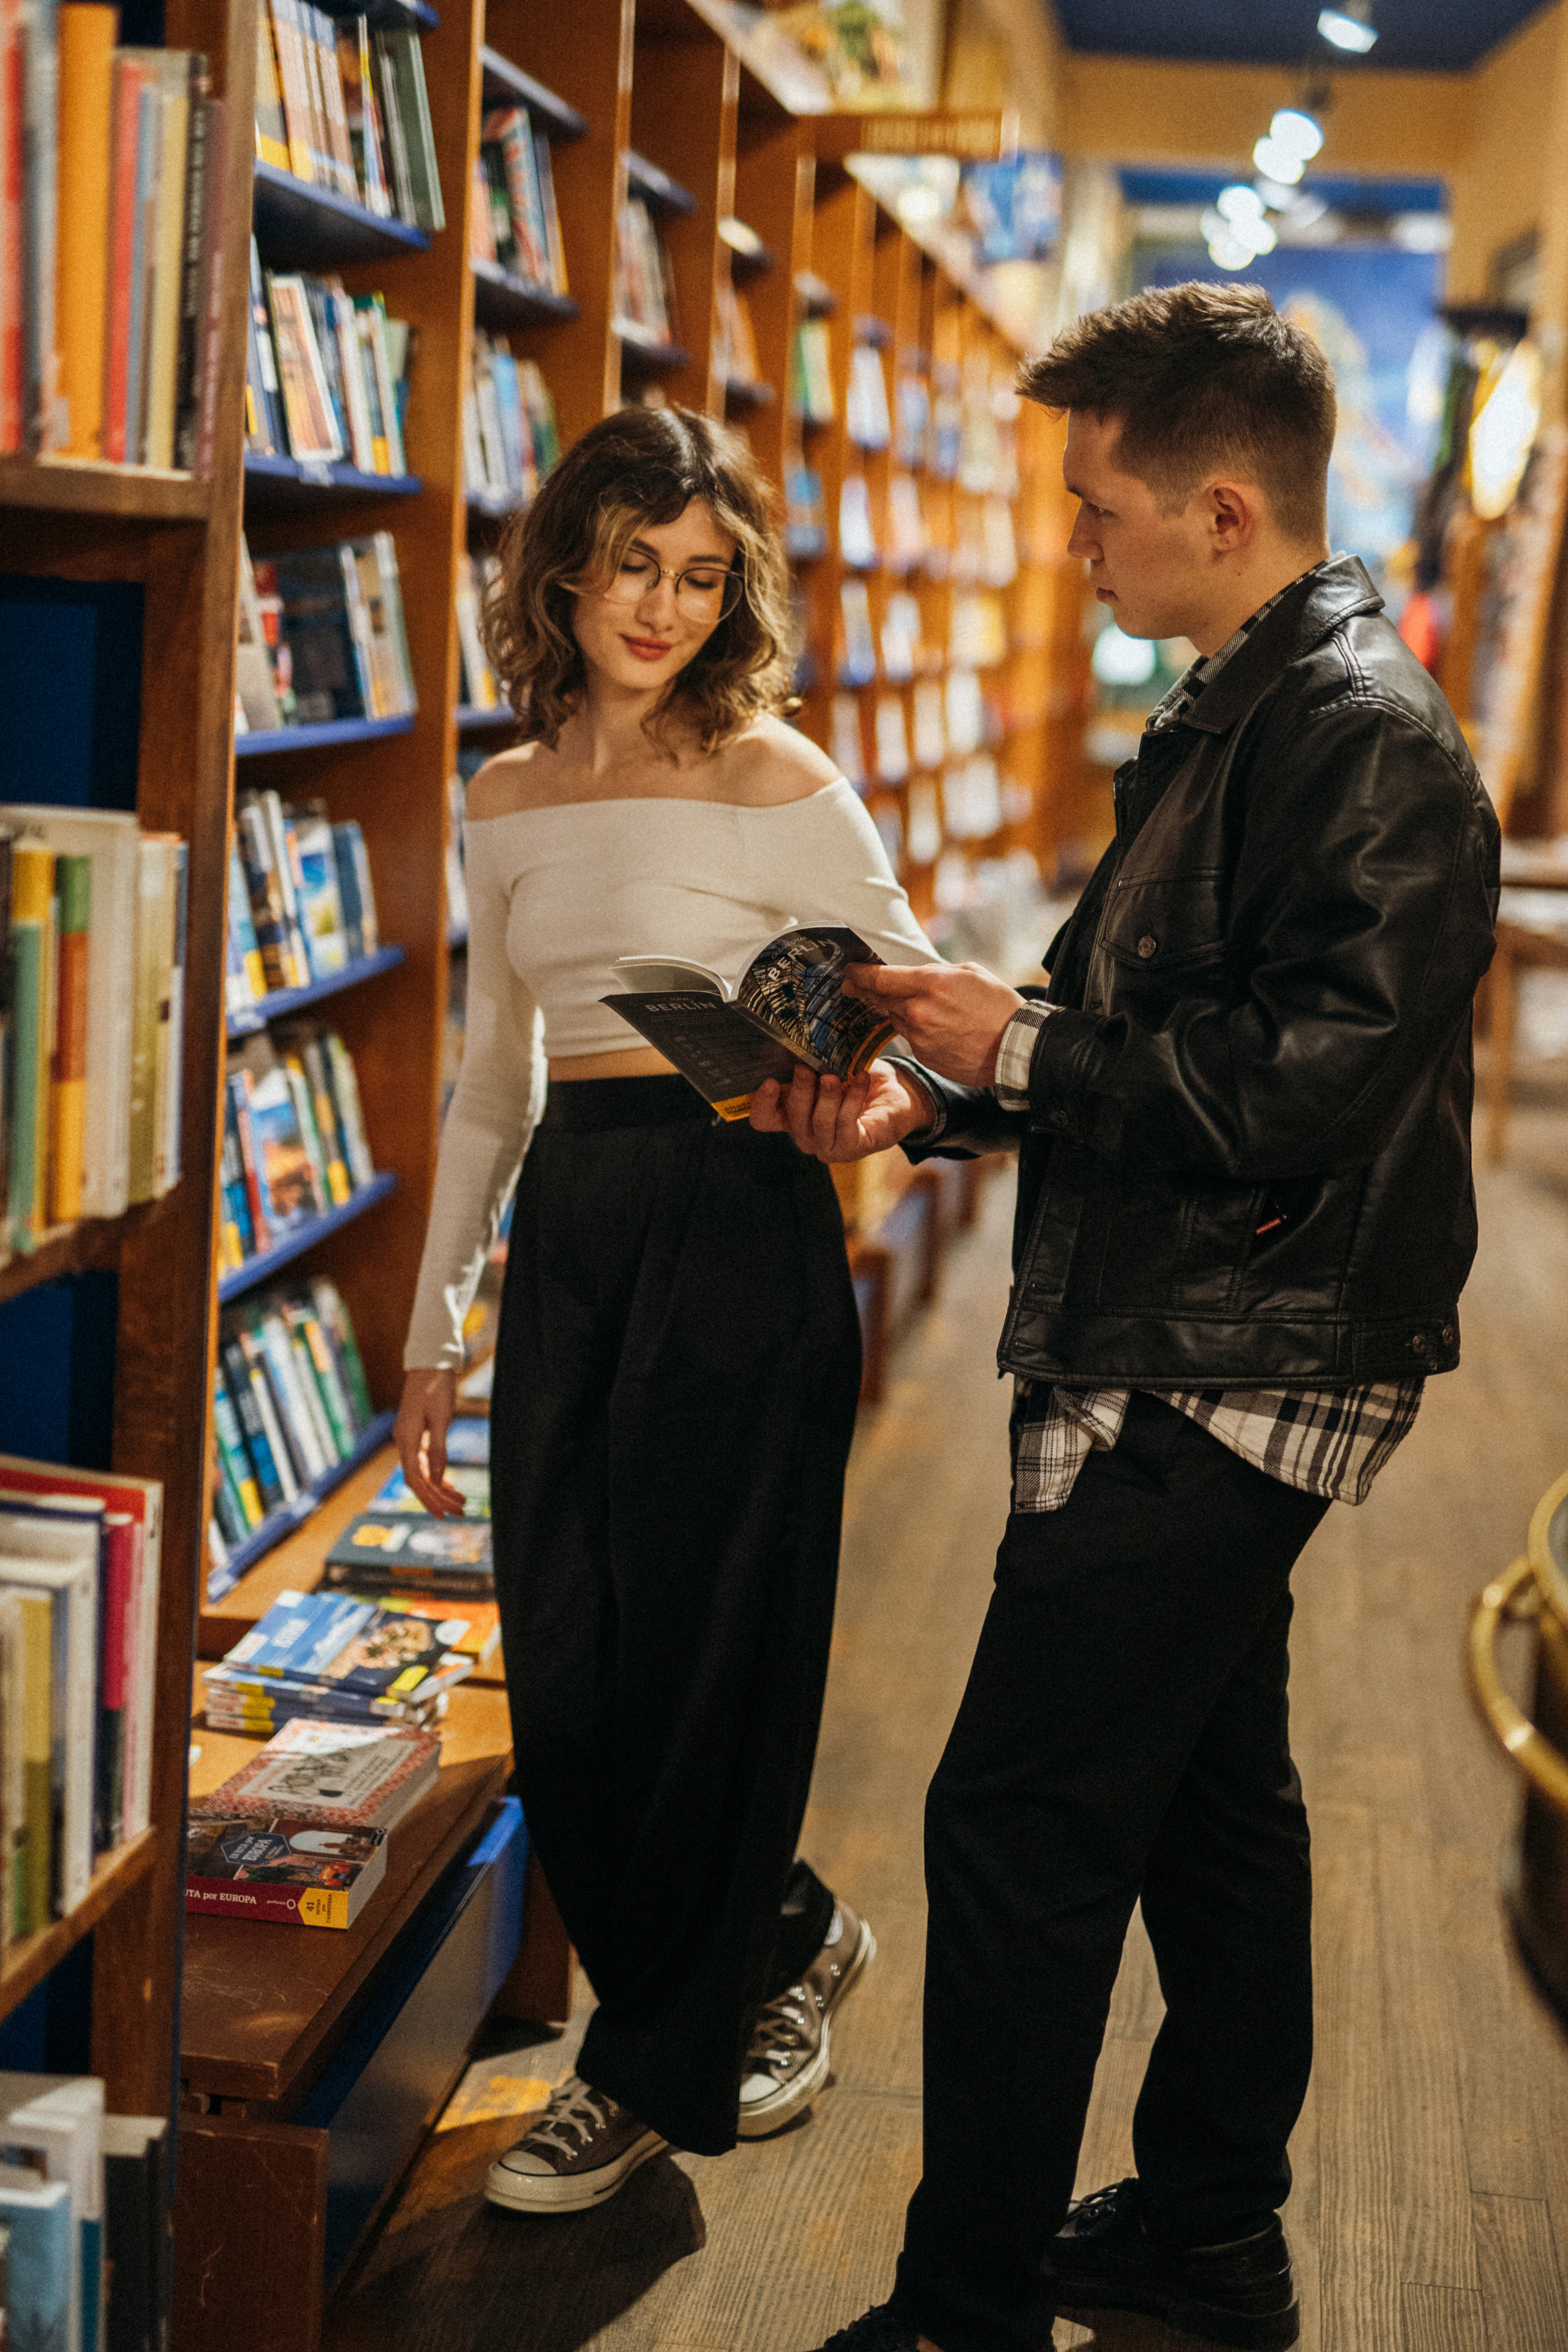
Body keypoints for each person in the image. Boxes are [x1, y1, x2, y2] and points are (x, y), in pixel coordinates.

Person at [755, 283, 1499, 2352]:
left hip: (1237, 1358)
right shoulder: (1244, 701)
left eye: (1096, 507)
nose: (1074, 542)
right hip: (1199, 1320)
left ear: (1228, 507)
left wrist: (1023, 1054)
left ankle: (959, 2307)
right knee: (1210, 1797)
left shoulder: (1362, 740)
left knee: (1015, 1820)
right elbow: (1149, 1028)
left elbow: (1296, 1091)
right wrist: (950, 1085)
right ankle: (1205, 2232)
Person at [394, 405, 940, 2215]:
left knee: (708, 1660)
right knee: (569, 1669)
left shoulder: (779, 777)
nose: (664, 606)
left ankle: (641, 2070)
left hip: (736, 1218)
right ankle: (778, 1930)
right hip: (576, 1234)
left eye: (703, 576)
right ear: (564, 562)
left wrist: (863, 1096)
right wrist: (429, 1326)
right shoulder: (502, 790)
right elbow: (491, 1077)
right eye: (635, 563)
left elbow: (919, 1012)